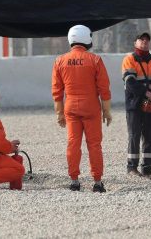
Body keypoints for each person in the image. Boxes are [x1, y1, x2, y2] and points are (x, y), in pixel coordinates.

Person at [51, 25, 112, 192]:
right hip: (91, 107)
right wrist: (106, 111)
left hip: (70, 107)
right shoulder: (95, 60)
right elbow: (104, 89)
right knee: (94, 145)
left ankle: (74, 181)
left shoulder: (60, 61)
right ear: (87, 38)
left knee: (72, 144)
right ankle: (97, 182)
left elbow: (56, 91)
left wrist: (59, 113)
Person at [121, 32, 151, 178]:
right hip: (134, 104)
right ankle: (131, 167)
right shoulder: (129, 59)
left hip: (150, 104)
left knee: (150, 135)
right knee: (134, 135)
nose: (145, 42)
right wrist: (147, 93)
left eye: (147, 40)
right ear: (135, 43)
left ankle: (147, 168)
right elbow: (130, 82)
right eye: (141, 40)